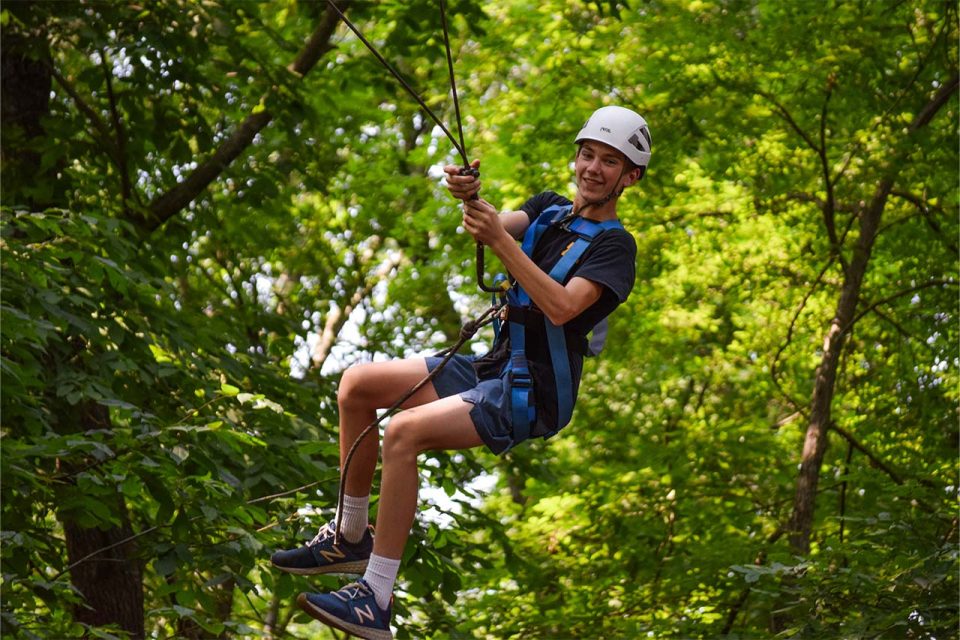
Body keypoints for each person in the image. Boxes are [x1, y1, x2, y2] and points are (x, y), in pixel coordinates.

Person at [269, 105, 650, 640]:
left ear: (629, 177)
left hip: (532, 391)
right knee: (357, 384)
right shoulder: (549, 211)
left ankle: (376, 596)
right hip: (493, 366)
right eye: (588, 154)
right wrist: (470, 198)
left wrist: (498, 239)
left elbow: (563, 307)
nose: (593, 168)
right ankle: (350, 536)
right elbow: (488, 228)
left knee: (401, 432)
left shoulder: (615, 248)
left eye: (610, 162)